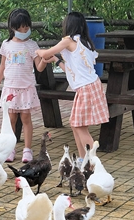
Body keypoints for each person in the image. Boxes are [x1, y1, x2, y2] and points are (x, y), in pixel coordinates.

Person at [36, 12, 107, 160]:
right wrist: (56, 60)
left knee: (79, 126)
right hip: (90, 86)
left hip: (86, 88)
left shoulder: (68, 41)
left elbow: (45, 53)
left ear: (68, 25)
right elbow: (71, 70)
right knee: (76, 124)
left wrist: (36, 50)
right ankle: (83, 160)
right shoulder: (84, 43)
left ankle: (93, 163)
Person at [0, 8, 40, 163]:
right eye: (20, 28)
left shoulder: (32, 45)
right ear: (12, 28)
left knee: (26, 117)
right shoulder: (6, 45)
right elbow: (2, 66)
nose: (23, 31)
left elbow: (39, 67)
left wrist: (45, 58)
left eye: (26, 28)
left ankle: (27, 149)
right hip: (10, 87)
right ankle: (9, 149)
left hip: (26, 87)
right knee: (10, 118)